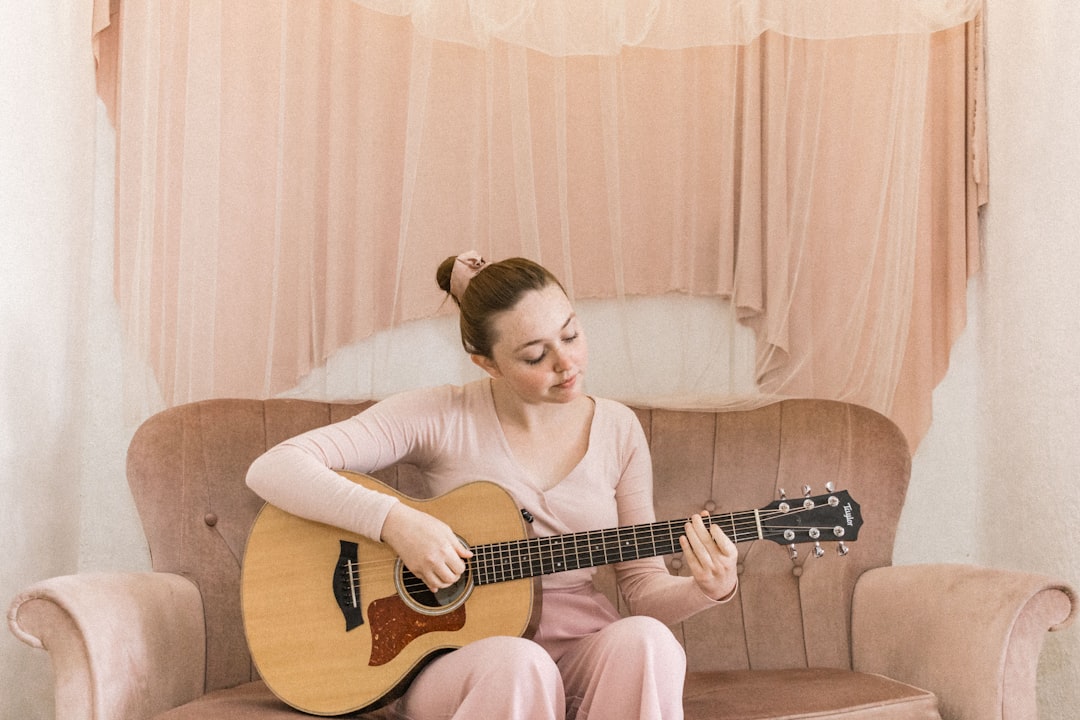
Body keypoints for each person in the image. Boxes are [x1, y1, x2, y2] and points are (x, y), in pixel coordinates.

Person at [246, 251, 739, 720]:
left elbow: (643, 588)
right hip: (462, 659)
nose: (567, 365)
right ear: (487, 363)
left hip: (581, 650)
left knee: (648, 640)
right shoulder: (440, 415)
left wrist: (706, 587)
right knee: (520, 664)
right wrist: (396, 524)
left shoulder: (619, 429)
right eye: (534, 356)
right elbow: (275, 467)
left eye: (570, 335)